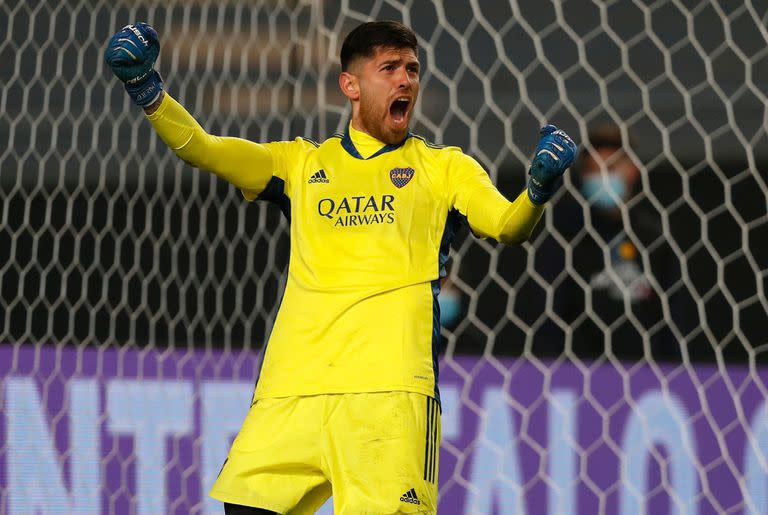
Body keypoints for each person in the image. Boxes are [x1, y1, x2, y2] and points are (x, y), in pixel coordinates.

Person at [104, 20, 576, 514]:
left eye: (412, 69)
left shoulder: (446, 168)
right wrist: (146, 90)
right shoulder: (300, 165)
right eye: (389, 68)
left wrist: (537, 191)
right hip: (293, 390)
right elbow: (204, 149)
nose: (406, 81)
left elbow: (507, 226)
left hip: (389, 396)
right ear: (350, 85)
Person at [533, 124, 682, 361]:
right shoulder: (563, 241)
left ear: (632, 170)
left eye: (610, 168)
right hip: (578, 377)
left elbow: (674, 320)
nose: (602, 178)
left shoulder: (655, 240)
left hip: (648, 380)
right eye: (593, 170)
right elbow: (546, 324)